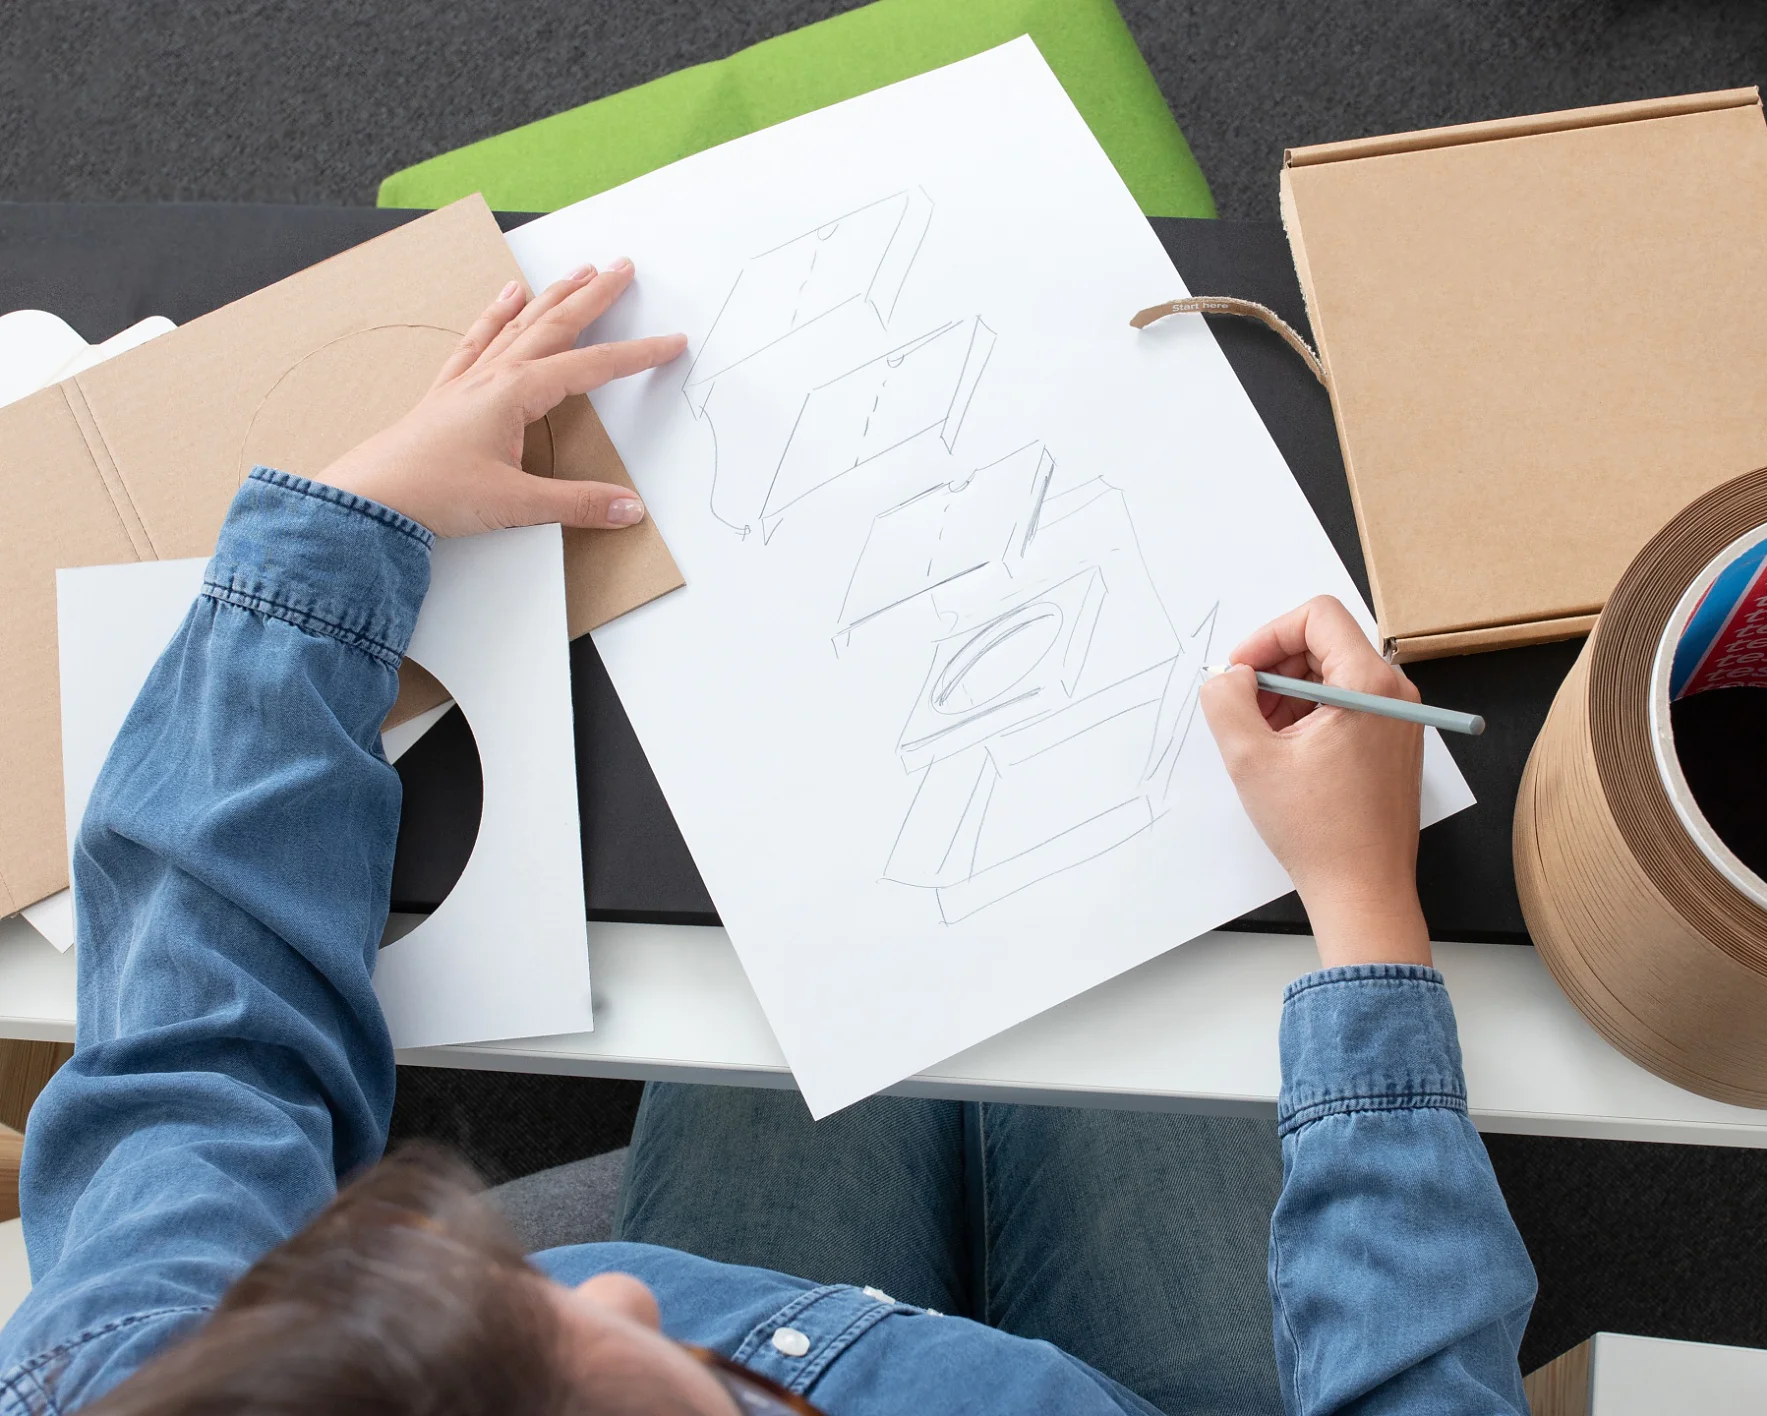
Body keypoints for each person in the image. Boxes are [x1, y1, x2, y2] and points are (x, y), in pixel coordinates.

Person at [0, 260, 1535, 1416]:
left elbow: (197, 1062)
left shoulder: (143, 1385)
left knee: (885, 976)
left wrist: (339, 534)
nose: (608, 1292)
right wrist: (1364, 909)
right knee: (1146, 1002)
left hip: (829, 1308)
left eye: (508, 1311)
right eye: (614, 1386)